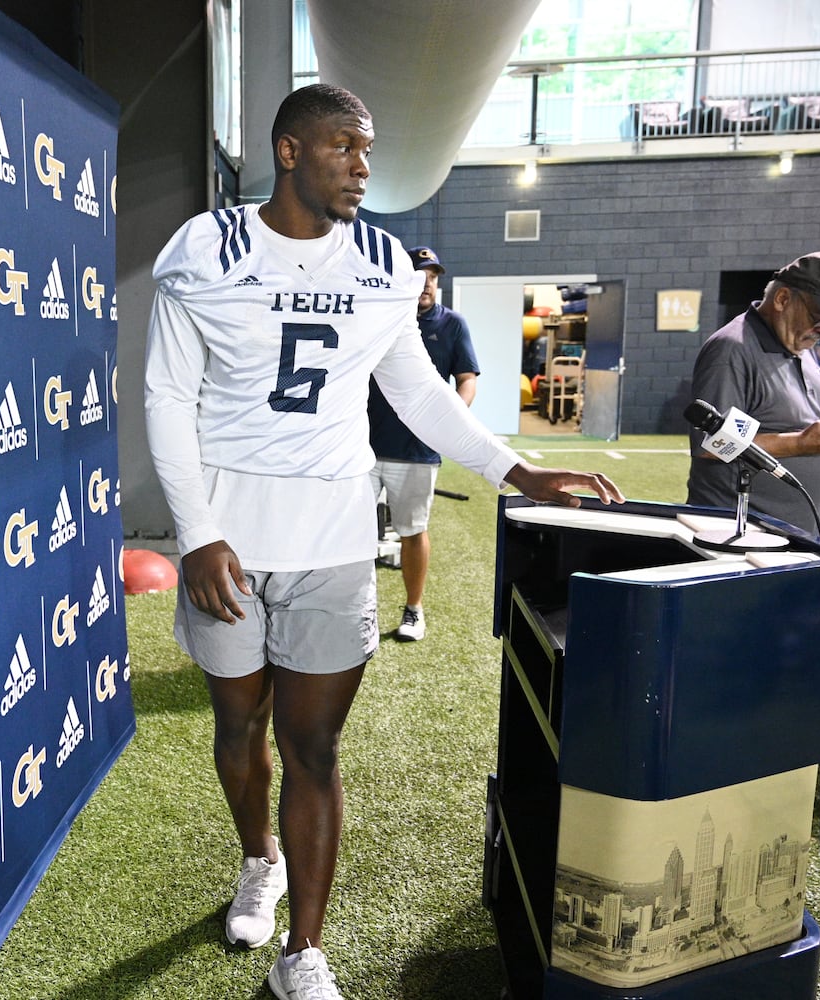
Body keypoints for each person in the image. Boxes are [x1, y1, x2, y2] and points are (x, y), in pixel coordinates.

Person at [143, 83, 624, 1000]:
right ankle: (258, 858)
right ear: (288, 152)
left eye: (367, 149)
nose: (363, 166)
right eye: (343, 148)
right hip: (230, 545)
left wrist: (515, 472)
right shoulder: (207, 247)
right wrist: (196, 533)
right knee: (237, 727)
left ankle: (303, 954)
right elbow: (167, 396)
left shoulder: (382, 262)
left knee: (314, 749)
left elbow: (416, 391)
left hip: (330, 538)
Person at [686, 251, 820, 537]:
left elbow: (800, 416)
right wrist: (800, 444)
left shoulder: (800, 346)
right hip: (742, 538)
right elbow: (713, 444)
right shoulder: (732, 350)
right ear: (783, 299)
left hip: (793, 534)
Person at [366, 245, 480, 641]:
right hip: (362, 446)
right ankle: (354, 610)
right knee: (350, 534)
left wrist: (452, 416)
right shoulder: (377, 317)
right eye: (420, 276)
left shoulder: (452, 325)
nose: (427, 284)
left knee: (413, 531)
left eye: (433, 277)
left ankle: (413, 610)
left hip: (416, 450)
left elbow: (467, 378)